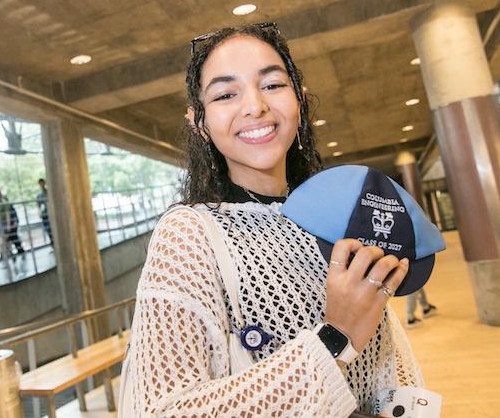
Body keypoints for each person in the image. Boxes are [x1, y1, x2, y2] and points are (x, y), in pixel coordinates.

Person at [119, 23, 422, 417]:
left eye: (273, 85)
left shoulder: (335, 215)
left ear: (298, 99)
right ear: (200, 123)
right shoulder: (190, 233)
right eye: (226, 94)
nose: (255, 106)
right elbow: (161, 410)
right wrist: (335, 338)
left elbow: (385, 354)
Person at [36, 178, 53, 247]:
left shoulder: (49, 193)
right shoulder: (39, 195)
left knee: (51, 229)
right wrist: (39, 213)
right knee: (48, 229)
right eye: (40, 183)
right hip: (44, 215)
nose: (41, 185)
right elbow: (38, 206)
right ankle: (52, 243)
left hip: (50, 214)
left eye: (42, 183)